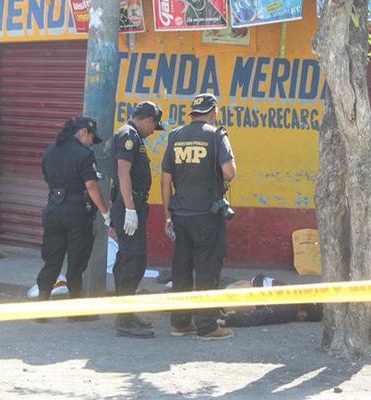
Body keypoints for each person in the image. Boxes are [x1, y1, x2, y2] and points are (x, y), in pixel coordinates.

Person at [161, 93, 236, 340]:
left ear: (192, 112)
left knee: (181, 269)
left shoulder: (175, 136)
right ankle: (207, 326)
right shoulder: (216, 135)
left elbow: (165, 179)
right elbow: (229, 173)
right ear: (213, 112)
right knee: (207, 268)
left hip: (180, 214)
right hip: (206, 215)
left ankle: (180, 323)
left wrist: (167, 213)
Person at [36, 116, 110, 322]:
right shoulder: (85, 155)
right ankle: (75, 310)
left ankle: (42, 307)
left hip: (53, 209)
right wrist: (105, 212)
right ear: (84, 132)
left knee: (51, 260)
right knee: (76, 263)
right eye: (91, 138)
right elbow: (92, 186)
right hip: (77, 212)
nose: (91, 143)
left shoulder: (50, 152)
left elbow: (48, 179)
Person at [111, 101, 164, 338]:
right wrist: (130, 209)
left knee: (128, 259)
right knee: (133, 260)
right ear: (149, 120)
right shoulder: (128, 136)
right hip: (129, 206)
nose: (153, 132)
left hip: (132, 205)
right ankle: (124, 319)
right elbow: (123, 173)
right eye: (154, 126)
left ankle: (126, 313)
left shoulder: (133, 137)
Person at [217, 275, 323, 328]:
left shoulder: (287, 288)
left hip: (233, 286)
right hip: (232, 299)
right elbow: (259, 317)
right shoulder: (288, 309)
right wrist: (229, 320)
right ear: (304, 315)